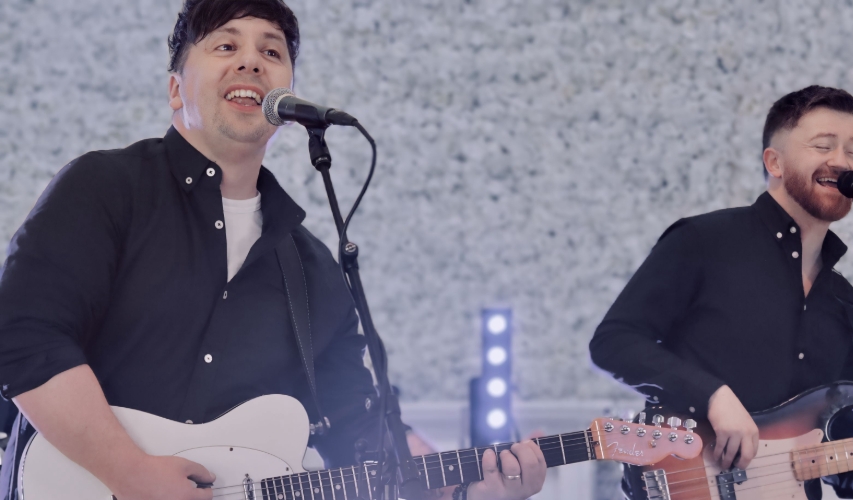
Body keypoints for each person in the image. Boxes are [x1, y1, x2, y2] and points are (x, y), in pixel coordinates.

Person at [0, 1, 545, 499]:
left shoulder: (312, 268)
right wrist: (129, 472)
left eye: (272, 52)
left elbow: (358, 428)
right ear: (175, 90)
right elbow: (24, 336)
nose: (251, 61)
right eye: (225, 45)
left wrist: (468, 491)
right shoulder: (105, 188)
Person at [589, 86, 853, 500]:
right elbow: (614, 342)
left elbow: (836, 448)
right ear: (774, 162)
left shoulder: (845, 304)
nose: (842, 161)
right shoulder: (704, 240)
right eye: (823, 145)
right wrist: (713, 396)